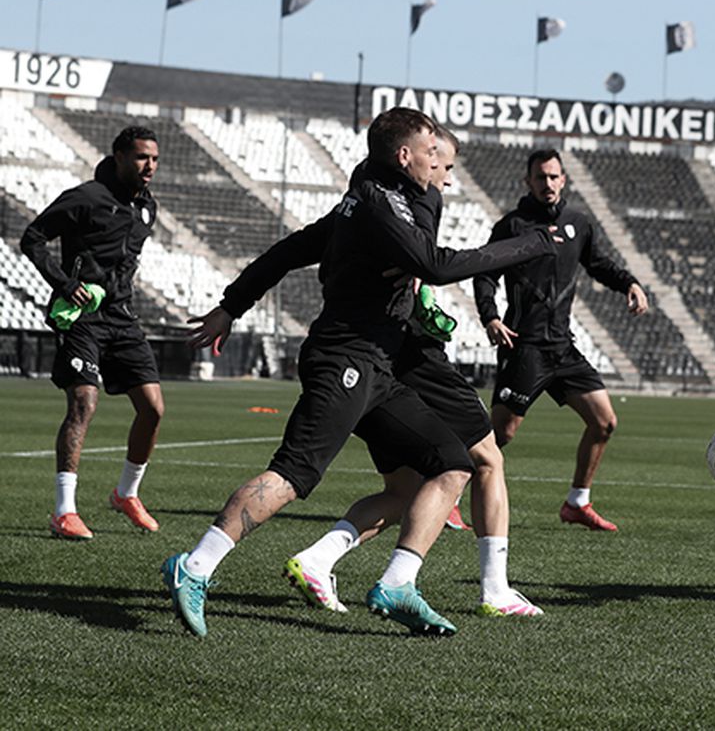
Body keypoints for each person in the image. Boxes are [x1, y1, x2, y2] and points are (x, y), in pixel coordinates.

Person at [162, 108, 557, 638]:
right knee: (294, 475)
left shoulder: (378, 200)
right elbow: (435, 265)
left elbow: (290, 250)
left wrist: (231, 306)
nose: (438, 161)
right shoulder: (376, 204)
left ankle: (397, 583)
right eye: (430, 152)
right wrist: (530, 244)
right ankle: (196, 565)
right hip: (344, 360)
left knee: (451, 462)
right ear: (404, 156)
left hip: (379, 366)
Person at [474, 148, 648, 532]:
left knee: (604, 422)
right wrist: (490, 316)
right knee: (499, 434)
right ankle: (449, 495)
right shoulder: (512, 226)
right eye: (540, 177)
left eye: (554, 177)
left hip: (562, 347)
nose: (548, 183)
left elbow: (598, 264)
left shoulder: (578, 224)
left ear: (564, 179)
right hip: (524, 345)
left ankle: (577, 503)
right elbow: (484, 273)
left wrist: (629, 283)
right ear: (528, 182)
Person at [20, 126, 165, 540]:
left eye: (154, 159)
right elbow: (32, 239)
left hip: (122, 317)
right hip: (82, 318)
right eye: (141, 157)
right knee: (84, 403)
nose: (149, 166)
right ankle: (64, 511)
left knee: (153, 409)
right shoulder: (85, 198)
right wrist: (65, 284)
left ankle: (126, 494)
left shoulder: (147, 207)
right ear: (118, 156)